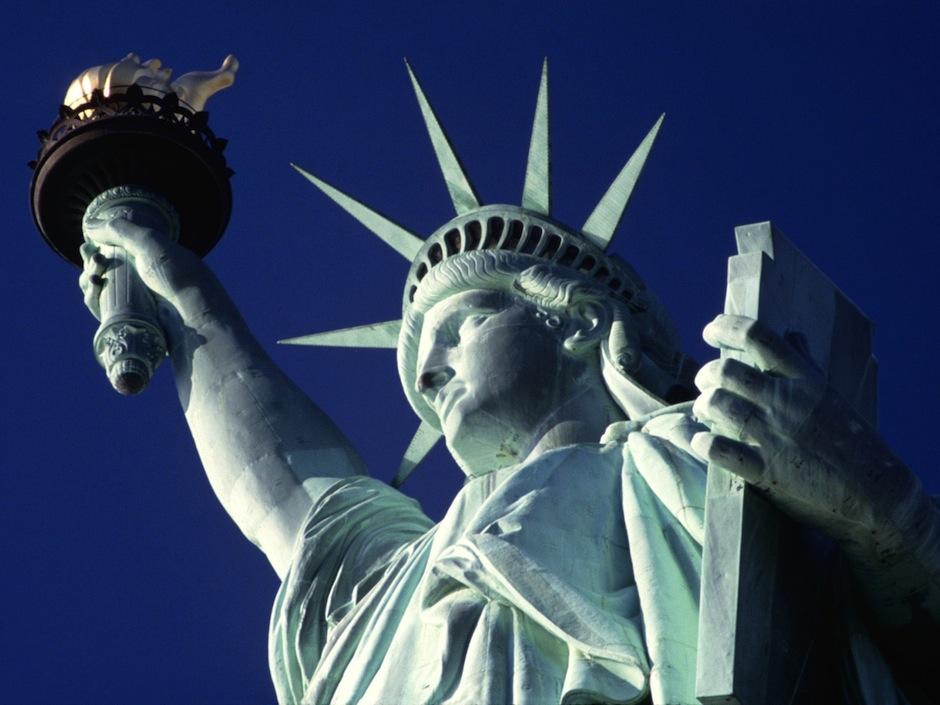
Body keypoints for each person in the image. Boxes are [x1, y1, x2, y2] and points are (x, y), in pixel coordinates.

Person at [77, 64, 939, 705]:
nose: (427, 366)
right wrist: (170, 274)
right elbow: (285, 491)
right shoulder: (405, 574)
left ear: (573, 321)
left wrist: (878, 506)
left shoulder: (714, 459)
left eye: (464, 324)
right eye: (425, 349)